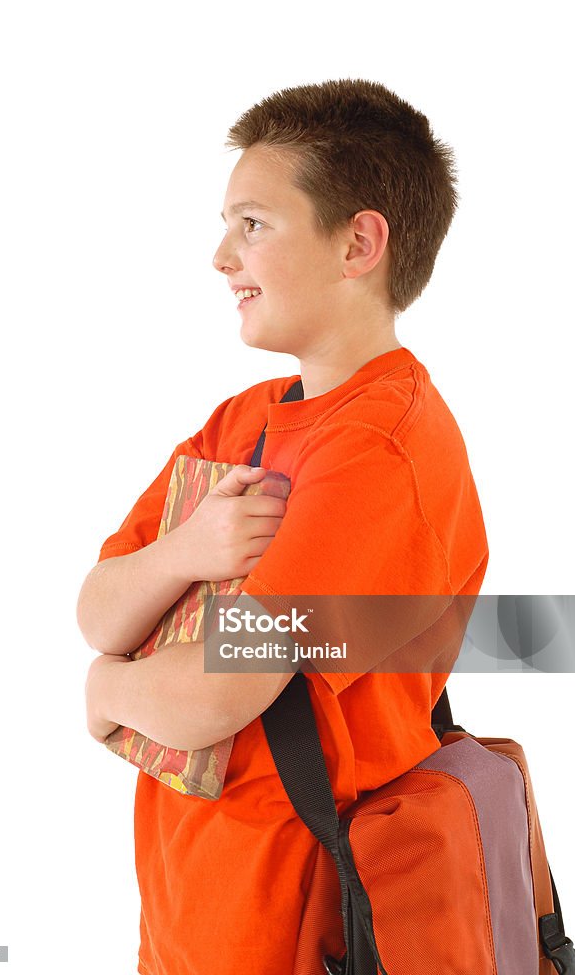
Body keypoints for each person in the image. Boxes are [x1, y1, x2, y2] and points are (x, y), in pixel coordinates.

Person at [77, 78, 489, 975]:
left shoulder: (382, 451)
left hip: (299, 920)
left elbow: (217, 693)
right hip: (188, 903)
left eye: (253, 224)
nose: (222, 255)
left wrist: (108, 692)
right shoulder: (244, 421)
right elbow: (99, 610)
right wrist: (188, 553)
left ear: (358, 243)